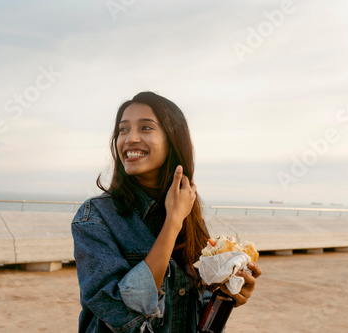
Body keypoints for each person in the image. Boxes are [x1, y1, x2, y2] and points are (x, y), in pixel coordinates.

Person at [71, 91, 261, 332]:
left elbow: (192, 307)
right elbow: (118, 310)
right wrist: (173, 222)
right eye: (123, 129)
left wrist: (226, 296)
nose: (130, 138)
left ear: (173, 140)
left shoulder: (187, 211)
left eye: (146, 128)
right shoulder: (95, 217)